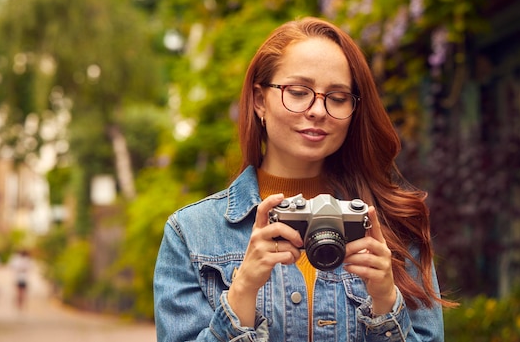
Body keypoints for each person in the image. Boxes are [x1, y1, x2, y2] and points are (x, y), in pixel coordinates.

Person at [154, 17, 451, 341]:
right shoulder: (193, 235)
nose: (318, 110)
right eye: (298, 92)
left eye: (337, 98)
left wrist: (385, 302)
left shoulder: (391, 225)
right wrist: (243, 293)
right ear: (258, 101)